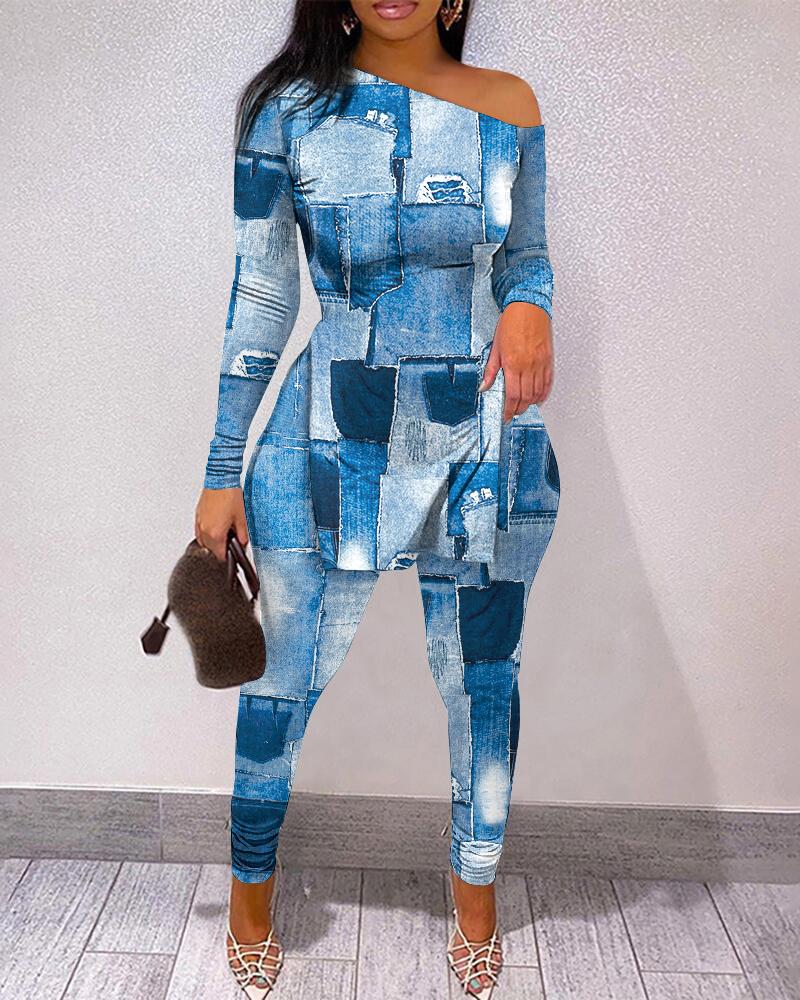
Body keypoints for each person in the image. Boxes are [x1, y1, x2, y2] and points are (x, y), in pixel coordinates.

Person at [195, 1, 559, 996]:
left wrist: (530, 304)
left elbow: (525, 255)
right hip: (327, 434)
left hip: (479, 436)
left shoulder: (509, 104)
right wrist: (222, 470)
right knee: (277, 687)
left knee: (483, 684)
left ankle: (475, 903)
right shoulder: (285, 110)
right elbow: (262, 293)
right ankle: (250, 899)